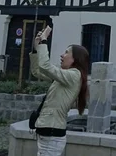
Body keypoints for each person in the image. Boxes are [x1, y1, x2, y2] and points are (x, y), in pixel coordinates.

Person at [30, 26, 89, 156]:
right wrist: (36, 48)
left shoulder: (74, 75)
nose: (62, 55)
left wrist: (44, 41)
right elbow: (37, 71)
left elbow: (45, 66)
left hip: (52, 134)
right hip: (48, 132)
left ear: (75, 59)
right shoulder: (64, 75)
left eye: (67, 52)